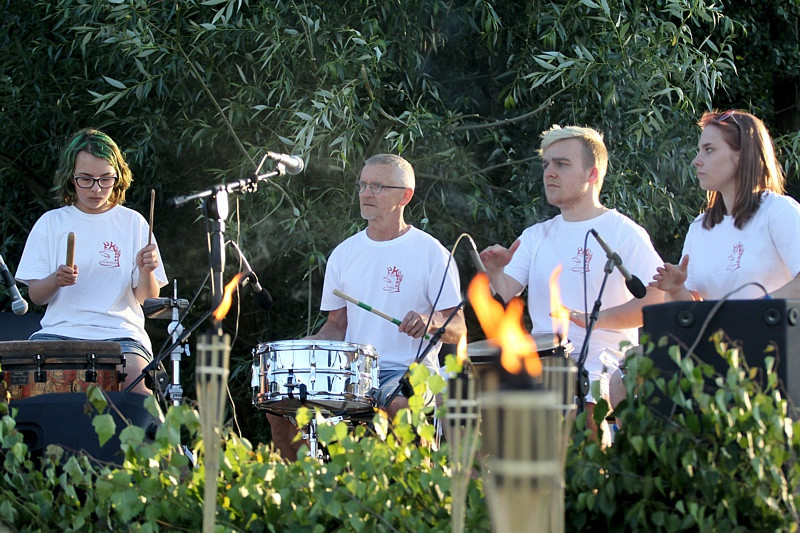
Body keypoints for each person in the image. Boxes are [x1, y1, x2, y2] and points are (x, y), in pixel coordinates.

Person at [268, 154, 466, 460]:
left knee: (398, 406)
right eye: (362, 185)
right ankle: (305, 487)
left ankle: (412, 488)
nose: (364, 193)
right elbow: (337, 326)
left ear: (405, 196)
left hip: (408, 373)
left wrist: (430, 322)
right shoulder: (343, 254)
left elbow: (459, 328)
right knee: (279, 405)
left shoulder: (431, 253)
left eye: (376, 186)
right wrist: (308, 347)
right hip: (353, 376)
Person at [480, 125, 664, 430]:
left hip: (605, 361)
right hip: (540, 361)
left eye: (561, 164)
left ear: (592, 174)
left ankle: (592, 475)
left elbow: (657, 300)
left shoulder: (623, 232)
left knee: (583, 406)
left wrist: (595, 318)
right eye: (546, 164)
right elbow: (504, 294)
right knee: (470, 401)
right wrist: (495, 271)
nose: (549, 173)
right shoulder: (536, 235)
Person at [15, 128, 167, 395]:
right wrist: (56, 280)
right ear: (71, 179)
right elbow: (36, 296)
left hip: (122, 336)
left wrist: (147, 271)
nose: (97, 189)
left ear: (117, 177)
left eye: (105, 179)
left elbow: (147, 298)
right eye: (86, 179)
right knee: (21, 389)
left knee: (137, 390)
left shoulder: (133, 222)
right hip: (59, 333)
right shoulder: (52, 223)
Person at [651, 110, 800, 301]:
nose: (696, 161)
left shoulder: (779, 211)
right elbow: (691, 312)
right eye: (699, 150)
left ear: (742, 155)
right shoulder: (699, 227)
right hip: (719, 333)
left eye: (709, 149)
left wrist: (753, 312)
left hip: (772, 331)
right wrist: (676, 290)